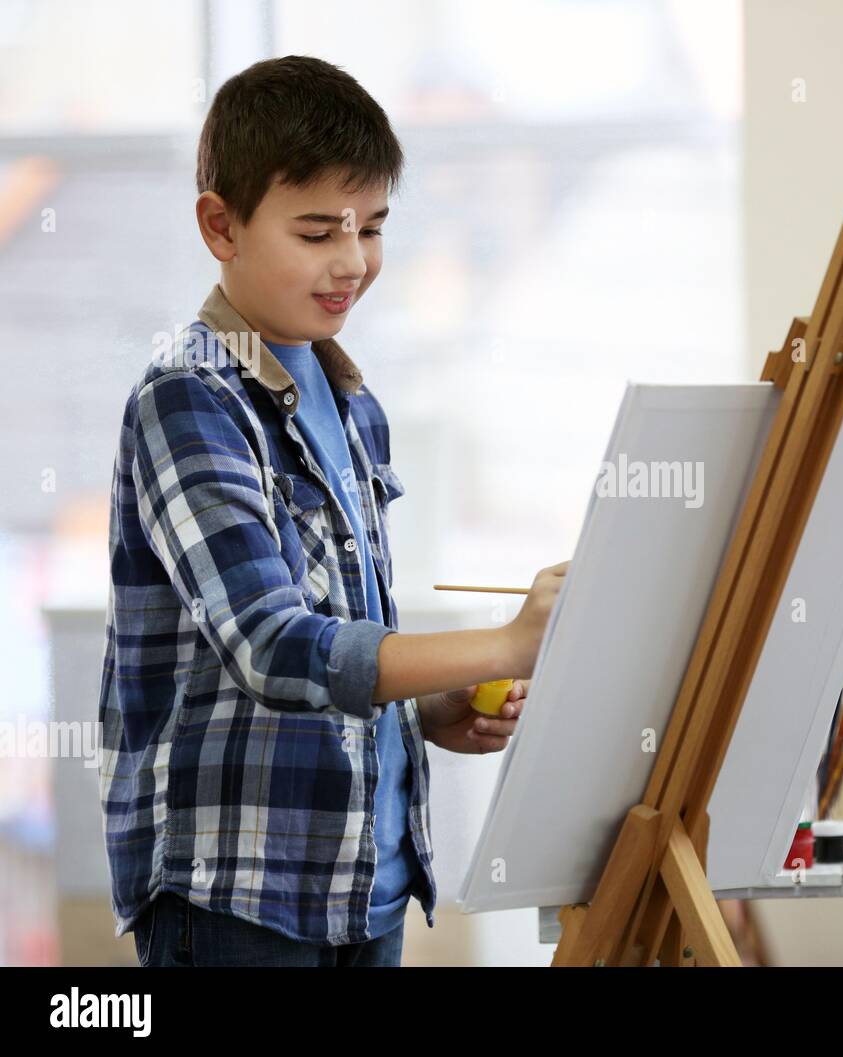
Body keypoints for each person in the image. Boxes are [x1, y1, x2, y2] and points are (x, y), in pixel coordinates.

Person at [98, 54, 568, 967]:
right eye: (317, 233)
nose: (353, 262)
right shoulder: (189, 401)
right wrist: (509, 643)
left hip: (366, 886)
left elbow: (342, 643)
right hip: (241, 899)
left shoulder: (349, 400)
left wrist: (426, 707)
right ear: (220, 226)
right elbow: (276, 646)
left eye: (374, 228)